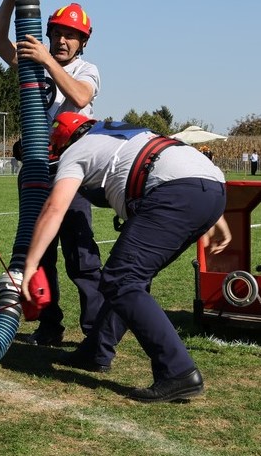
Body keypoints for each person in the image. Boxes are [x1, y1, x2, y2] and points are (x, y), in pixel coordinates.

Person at [21, 113, 230, 402]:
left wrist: (30, 265)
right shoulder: (126, 133)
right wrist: (216, 218)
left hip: (175, 192)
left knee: (122, 279)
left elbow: (54, 209)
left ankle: (178, 371)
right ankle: (96, 351)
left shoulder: (78, 150)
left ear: (64, 141)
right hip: (210, 189)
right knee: (132, 279)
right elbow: (183, 164)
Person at [0, 0, 105, 346]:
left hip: (74, 171)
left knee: (80, 253)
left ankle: (95, 330)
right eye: (57, 33)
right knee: (42, 252)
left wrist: (45, 61)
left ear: (83, 42)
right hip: (38, 168)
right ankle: (49, 325)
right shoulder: (34, 64)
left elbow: (81, 97)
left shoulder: (86, 70)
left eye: (71, 35)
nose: (62, 40)